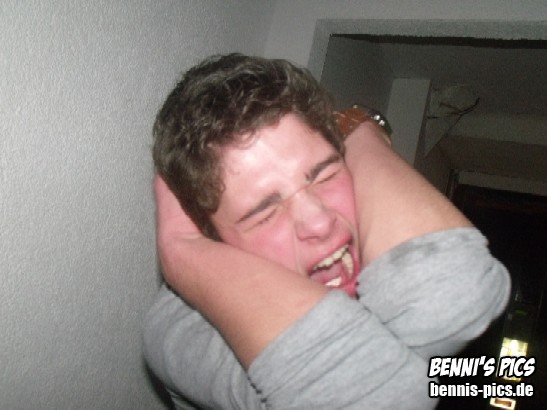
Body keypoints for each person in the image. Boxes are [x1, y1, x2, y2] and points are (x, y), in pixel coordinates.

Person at [144, 54, 510, 409]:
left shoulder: (379, 238)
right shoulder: (180, 328)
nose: (319, 221)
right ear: (211, 240)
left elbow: (448, 307)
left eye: (326, 174)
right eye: (264, 212)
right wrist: (181, 250)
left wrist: (359, 129)